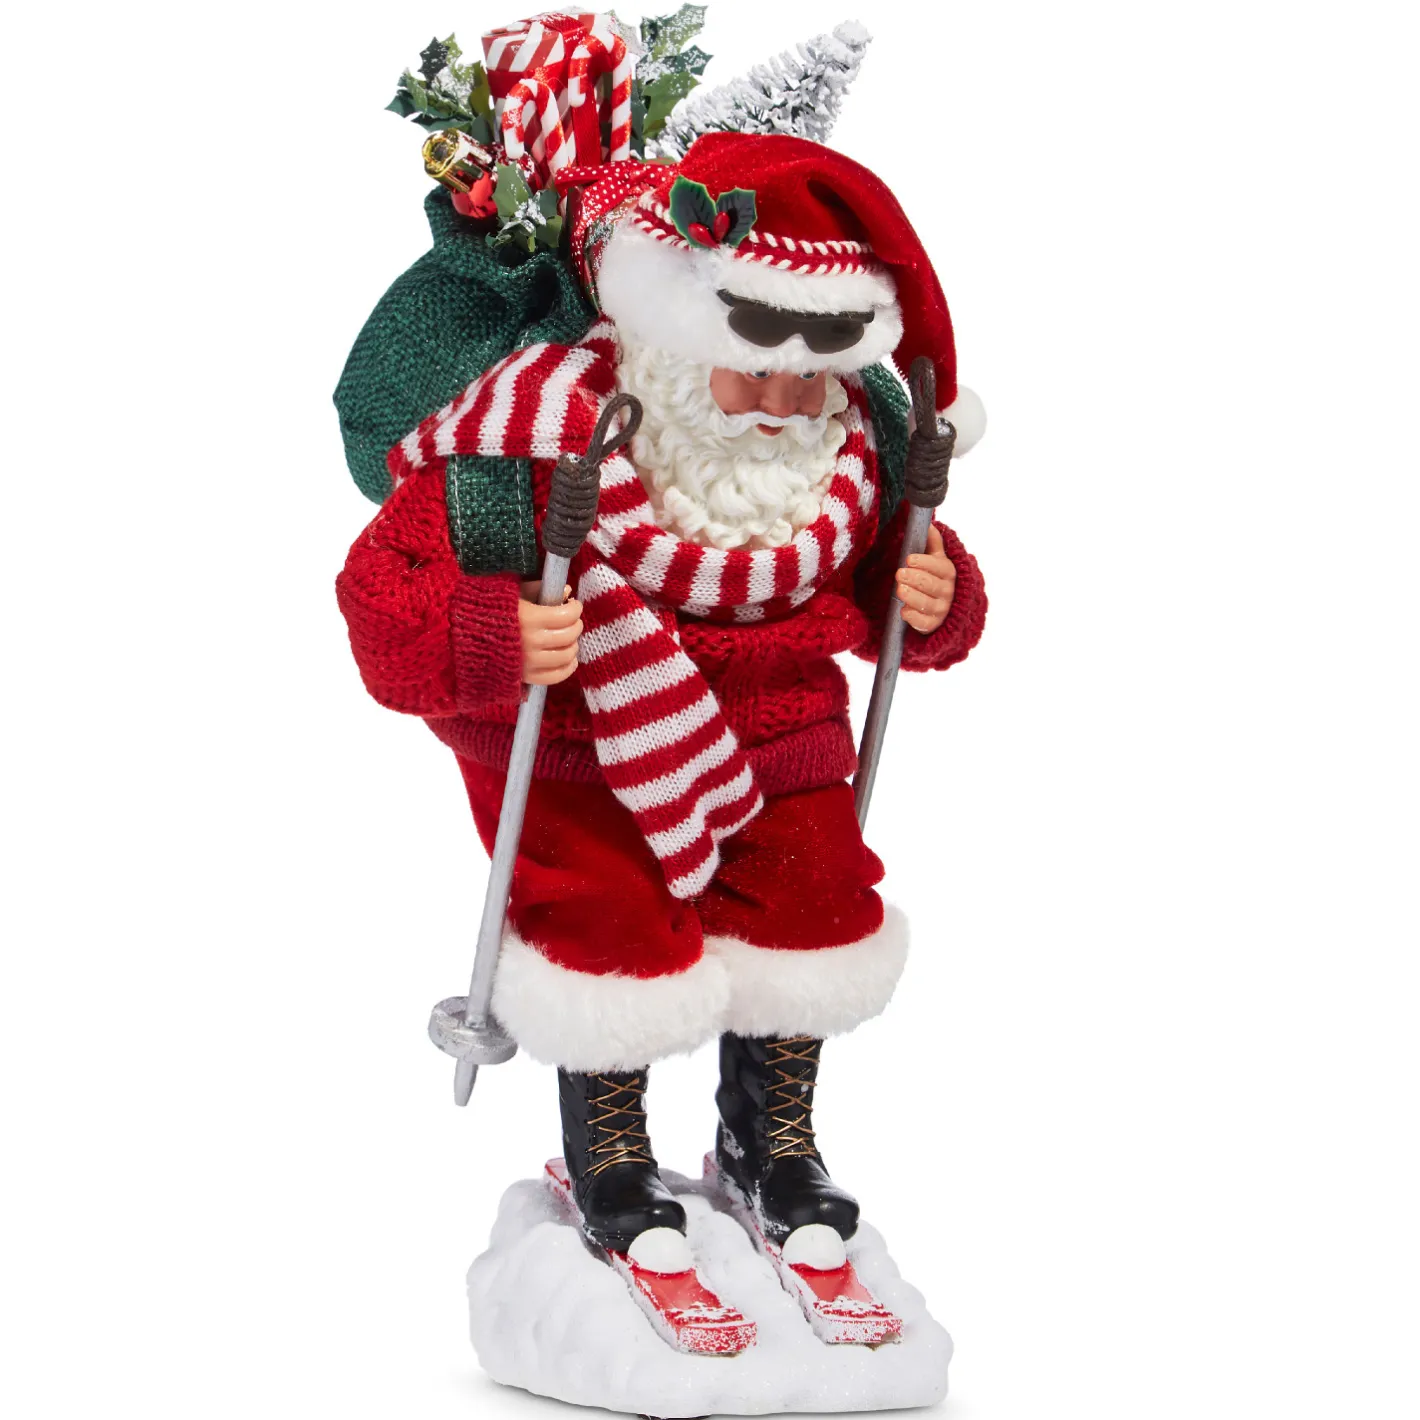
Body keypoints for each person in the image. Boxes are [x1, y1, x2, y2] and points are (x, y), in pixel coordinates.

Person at [336, 132, 988, 1260]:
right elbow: (382, 594)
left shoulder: (858, 441)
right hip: (587, 740)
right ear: (680, 339)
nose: (783, 402)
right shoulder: (535, 430)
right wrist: (495, 629)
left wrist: (929, 595)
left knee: (815, 905)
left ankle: (769, 1139)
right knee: (610, 936)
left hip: (784, 732)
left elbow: (895, 574)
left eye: (811, 373)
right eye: (755, 366)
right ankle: (613, 1154)